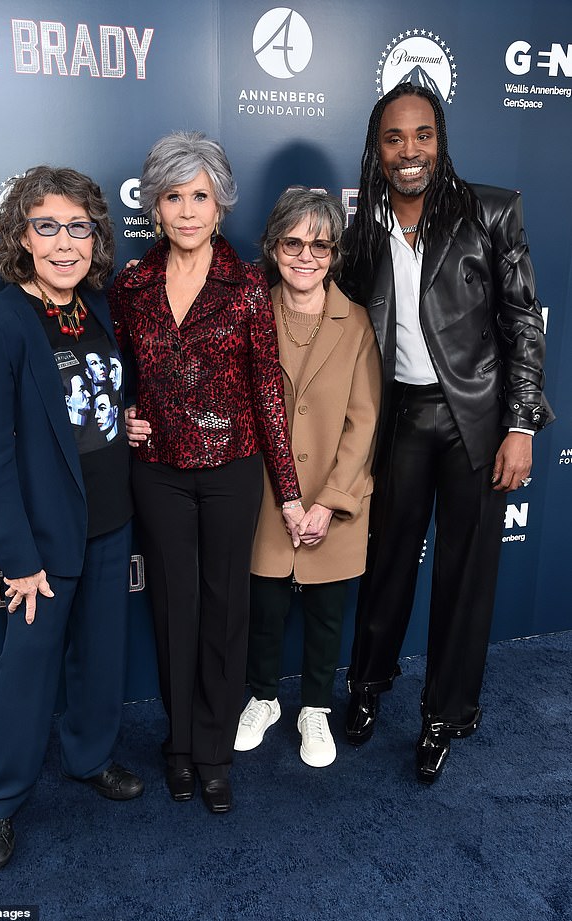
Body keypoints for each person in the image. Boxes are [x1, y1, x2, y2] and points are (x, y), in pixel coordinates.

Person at [340, 83, 553, 783]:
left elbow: (523, 323)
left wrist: (520, 424)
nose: (410, 151)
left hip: (476, 423)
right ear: (378, 147)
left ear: (441, 140)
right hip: (397, 417)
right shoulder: (362, 228)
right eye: (395, 137)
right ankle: (367, 686)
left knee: (465, 578)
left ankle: (445, 713)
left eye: (422, 135)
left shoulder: (491, 211)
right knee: (386, 564)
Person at [109, 131, 302, 814]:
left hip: (233, 467)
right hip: (157, 472)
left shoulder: (249, 284)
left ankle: (215, 753)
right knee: (174, 610)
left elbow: (268, 391)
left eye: (200, 195)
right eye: (173, 196)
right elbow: (111, 376)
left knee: (225, 611)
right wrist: (124, 409)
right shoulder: (130, 287)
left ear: (220, 204)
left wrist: (289, 489)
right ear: (154, 206)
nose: (188, 209)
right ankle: (180, 746)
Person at [0, 166, 143, 870]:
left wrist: (119, 423)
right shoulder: (2, 322)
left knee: (100, 659)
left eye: (79, 227)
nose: (65, 242)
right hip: (40, 535)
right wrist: (17, 555)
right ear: (21, 236)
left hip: (110, 515)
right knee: (27, 671)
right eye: (48, 226)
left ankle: (90, 758)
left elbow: (90, 398)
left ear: (95, 236)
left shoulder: (95, 307)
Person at [234, 187, 381, 767]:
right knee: (264, 609)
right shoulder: (251, 312)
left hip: (334, 496)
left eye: (320, 245)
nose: (306, 255)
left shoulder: (358, 321)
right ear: (272, 247)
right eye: (293, 242)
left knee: (326, 613)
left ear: (335, 252)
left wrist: (328, 502)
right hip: (267, 495)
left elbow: (363, 418)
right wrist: (289, 501)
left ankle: (315, 708)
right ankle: (264, 698)